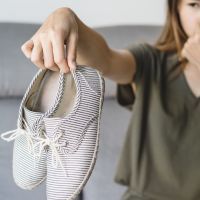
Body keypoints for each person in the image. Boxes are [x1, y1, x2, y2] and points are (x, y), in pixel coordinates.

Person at [21, 0, 200, 199]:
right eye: (194, 5)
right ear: (176, 11)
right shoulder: (153, 61)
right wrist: (65, 16)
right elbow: (107, 60)